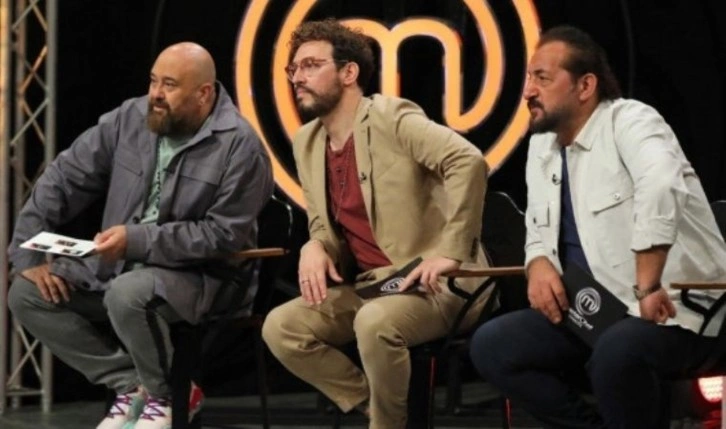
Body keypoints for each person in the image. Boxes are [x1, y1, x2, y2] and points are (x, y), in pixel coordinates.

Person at [469, 25, 726, 429]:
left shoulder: (632, 120)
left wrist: (647, 283)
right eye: (529, 78)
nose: (528, 91)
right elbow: (537, 223)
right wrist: (537, 261)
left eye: (542, 78)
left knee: (618, 352)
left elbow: (661, 184)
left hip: (676, 308)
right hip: (595, 311)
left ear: (585, 85)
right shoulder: (542, 145)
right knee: (493, 345)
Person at [7, 42, 273, 429]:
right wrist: (27, 252)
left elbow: (223, 235)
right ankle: (133, 386)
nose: (156, 94)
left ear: (204, 93)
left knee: (128, 293)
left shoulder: (240, 145)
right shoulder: (129, 118)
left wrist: (136, 240)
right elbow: (63, 178)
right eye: (153, 81)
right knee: (26, 293)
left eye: (170, 85)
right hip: (117, 270)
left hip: (204, 277)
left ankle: (167, 397)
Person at [261, 19, 491, 429]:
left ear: (349, 73)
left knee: (374, 322)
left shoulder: (391, 117)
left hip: (437, 285)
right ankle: (375, 407)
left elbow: (467, 161)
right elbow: (323, 223)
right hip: (374, 285)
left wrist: (451, 251)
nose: (297, 78)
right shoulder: (307, 141)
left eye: (311, 65)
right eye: (293, 69)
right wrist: (315, 245)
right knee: (282, 327)